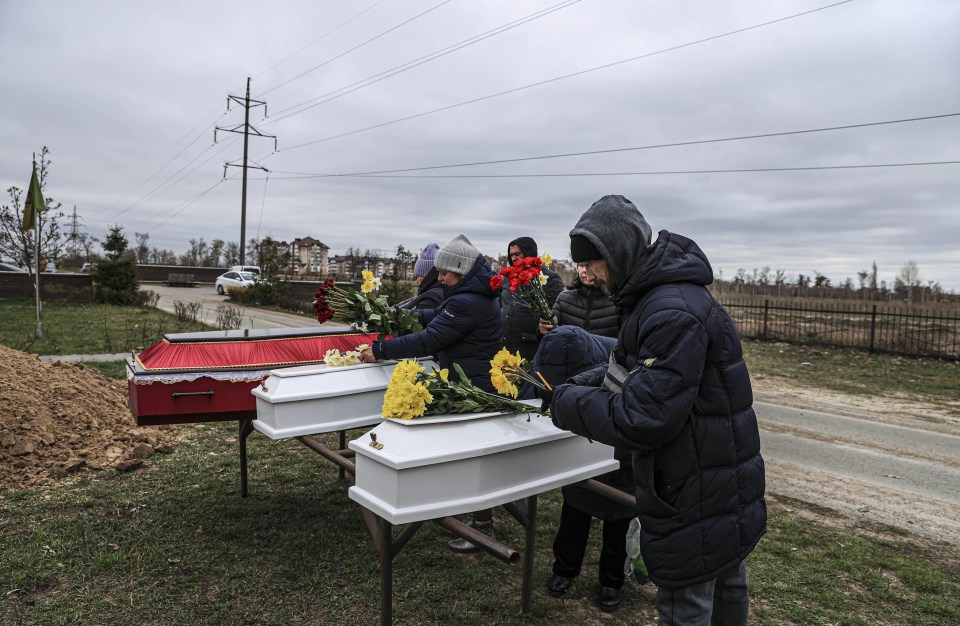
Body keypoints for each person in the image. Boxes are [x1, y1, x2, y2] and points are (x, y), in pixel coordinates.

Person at [550, 194, 766, 625]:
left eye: (592, 261)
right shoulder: (661, 299)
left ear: (620, 252)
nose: (585, 273)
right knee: (725, 587)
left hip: (692, 485)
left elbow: (642, 418)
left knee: (687, 606)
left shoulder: (670, 311)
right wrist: (585, 381)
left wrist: (563, 401)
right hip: (715, 477)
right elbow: (633, 367)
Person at [359, 234, 504, 553]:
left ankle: (483, 527)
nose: (439, 278)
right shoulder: (469, 295)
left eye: (444, 273)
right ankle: (473, 517)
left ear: (461, 271)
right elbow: (435, 319)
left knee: (470, 453)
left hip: (473, 386)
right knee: (466, 450)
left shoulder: (468, 301)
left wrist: (380, 349)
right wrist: (398, 316)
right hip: (472, 380)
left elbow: (429, 340)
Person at [531, 267, 633, 612]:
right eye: (581, 264)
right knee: (578, 492)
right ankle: (566, 568)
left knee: (619, 497)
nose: (585, 271)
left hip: (616, 394)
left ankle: (611, 580)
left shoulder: (623, 303)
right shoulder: (565, 298)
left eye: (592, 263)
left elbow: (627, 353)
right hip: (578, 392)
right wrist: (548, 331)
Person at [501, 236, 563, 362]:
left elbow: (559, 313)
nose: (513, 258)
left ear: (529, 253)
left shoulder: (549, 279)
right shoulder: (508, 280)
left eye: (517, 254)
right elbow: (502, 306)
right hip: (508, 347)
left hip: (533, 349)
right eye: (511, 255)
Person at [399, 242, 443, 310]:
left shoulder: (429, 300)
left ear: (428, 275)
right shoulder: (433, 293)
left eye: (419, 275)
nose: (417, 280)